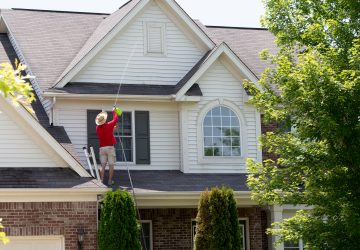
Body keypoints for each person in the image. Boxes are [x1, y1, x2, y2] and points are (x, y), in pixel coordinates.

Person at [95, 108, 119, 185]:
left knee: (103, 165)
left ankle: (101, 180)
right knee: (111, 165)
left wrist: (113, 128)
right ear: (104, 120)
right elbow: (116, 119)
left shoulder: (97, 128)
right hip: (110, 148)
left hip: (102, 148)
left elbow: (108, 131)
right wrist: (114, 111)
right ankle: (109, 181)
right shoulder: (109, 125)